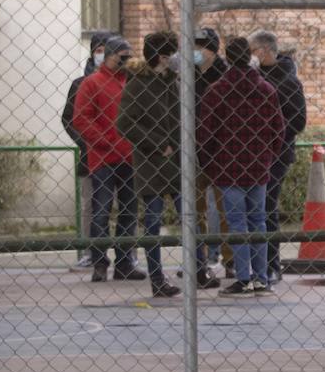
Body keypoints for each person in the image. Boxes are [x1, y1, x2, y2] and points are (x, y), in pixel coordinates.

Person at [117, 32, 211, 297]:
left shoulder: (173, 82)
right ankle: (157, 279)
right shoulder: (137, 85)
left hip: (178, 163)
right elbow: (124, 124)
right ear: (162, 57)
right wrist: (158, 144)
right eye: (173, 53)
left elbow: (182, 118)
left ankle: (199, 269)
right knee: (153, 223)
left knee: (190, 217)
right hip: (151, 164)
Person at [198, 38, 285, 297]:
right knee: (258, 221)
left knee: (236, 223)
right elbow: (277, 131)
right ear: (249, 57)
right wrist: (267, 156)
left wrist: (211, 164)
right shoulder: (266, 89)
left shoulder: (217, 91)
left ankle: (243, 277)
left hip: (227, 168)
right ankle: (261, 278)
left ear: (227, 57)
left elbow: (206, 133)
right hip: (258, 167)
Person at [72, 34, 147, 282]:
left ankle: (125, 262)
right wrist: (108, 141)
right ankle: (100, 263)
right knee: (101, 210)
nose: (126, 61)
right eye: (121, 57)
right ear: (110, 56)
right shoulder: (92, 83)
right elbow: (81, 119)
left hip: (129, 158)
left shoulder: (134, 83)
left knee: (128, 211)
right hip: (103, 158)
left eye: (129, 56)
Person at [250, 30, 308, 284]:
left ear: (264, 51)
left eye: (253, 50)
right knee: (253, 209)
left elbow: (298, 121)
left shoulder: (288, 81)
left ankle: (271, 264)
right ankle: (254, 264)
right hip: (250, 153)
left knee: (267, 207)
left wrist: (271, 135)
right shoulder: (251, 78)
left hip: (276, 154)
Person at [64, 33, 111, 268]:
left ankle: (126, 254)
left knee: (123, 206)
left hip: (118, 156)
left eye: (106, 49)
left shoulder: (124, 80)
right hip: (90, 157)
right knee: (91, 205)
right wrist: (85, 142)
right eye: (99, 49)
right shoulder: (79, 84)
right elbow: (69, 119)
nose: (102, 54)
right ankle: (91, 252)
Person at [192, 27, 229, 275]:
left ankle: (230, 259)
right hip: (193, 152)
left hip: (220, 152)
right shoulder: (188, 76)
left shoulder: (224, 77)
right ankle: (198, 260)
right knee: (194, 210)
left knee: (226, 210)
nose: (196, 51)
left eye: (201, 47)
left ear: (213, 51)